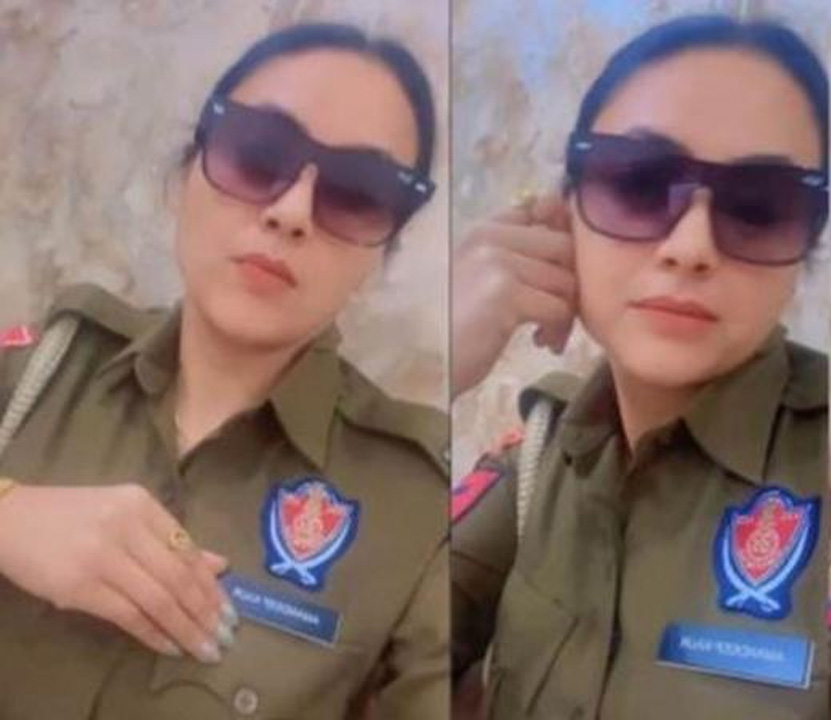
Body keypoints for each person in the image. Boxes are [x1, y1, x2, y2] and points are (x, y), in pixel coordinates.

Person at [0, 22, 448, 720]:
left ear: (380, 253)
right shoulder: (38, 375)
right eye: (257, 153)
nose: (290, 213)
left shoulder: (421, 510)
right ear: (185, 176)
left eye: (356, 192)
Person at [451, 14, 829, 719]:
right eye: (638, 182)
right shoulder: (538, 463)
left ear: (804, 246)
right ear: (562, 215)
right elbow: (332, 655)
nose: (690, 247)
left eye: (759, 206)